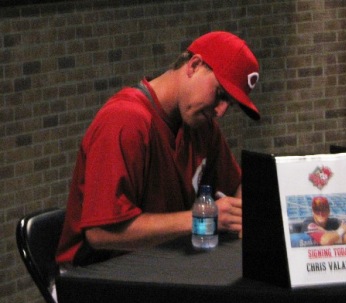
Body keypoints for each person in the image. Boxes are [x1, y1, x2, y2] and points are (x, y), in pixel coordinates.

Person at [56, 31, 261, 267]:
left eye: (230, 104)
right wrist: (201, 219)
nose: (221, 111)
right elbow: (101, 233)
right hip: (91, 278)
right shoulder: (124, 120)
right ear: (194, 65)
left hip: (156, 268)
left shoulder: (201, 126)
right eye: (220, 94)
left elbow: (237, 186)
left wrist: (239, 215)